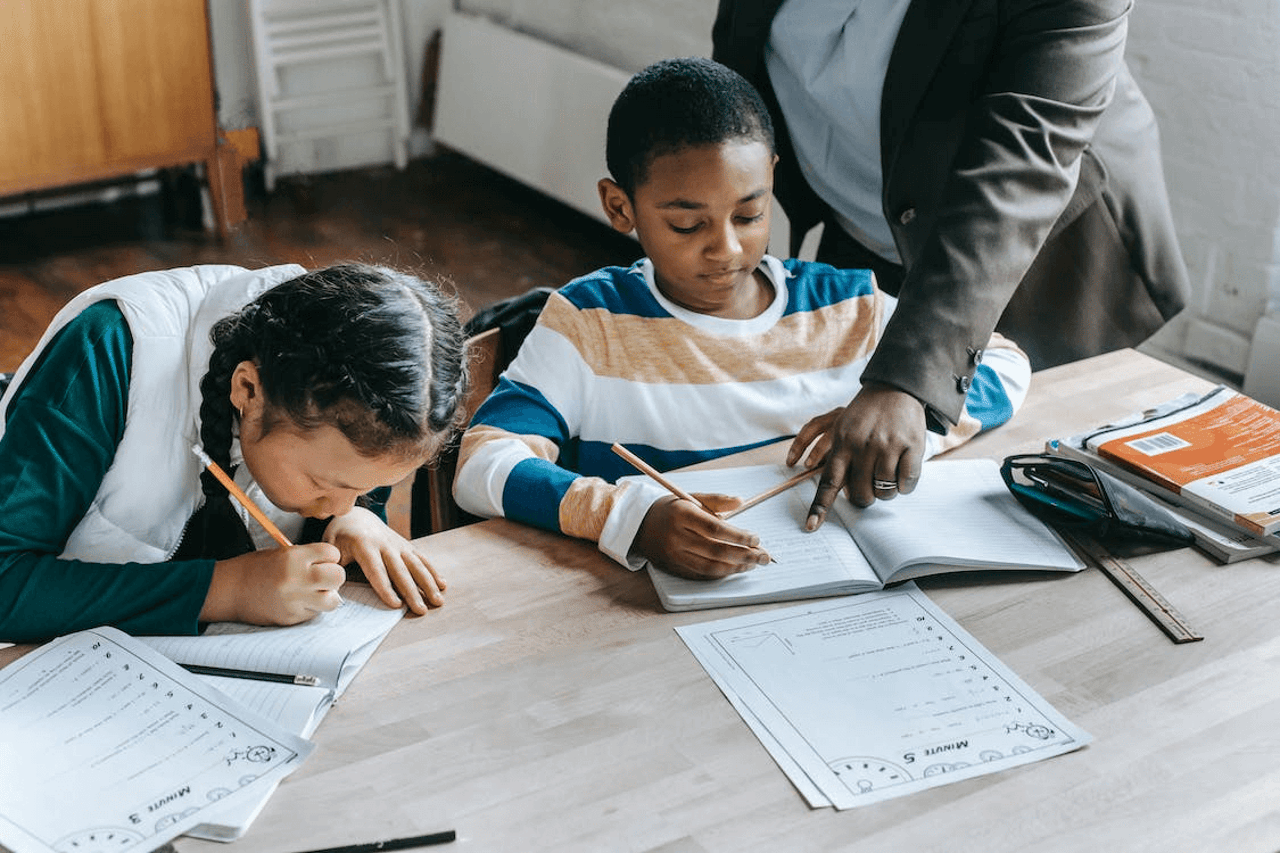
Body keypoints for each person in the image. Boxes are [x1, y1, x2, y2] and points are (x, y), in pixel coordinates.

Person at [452, 57, 1031, 581]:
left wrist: (903, 425)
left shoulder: (845, 302)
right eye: (687, 225)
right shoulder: (591, 323)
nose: (726, 248)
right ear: (620, 206)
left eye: (750, 214)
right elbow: (483, 460)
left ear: (773, 178)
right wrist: (630, 517)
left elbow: (1004, 363)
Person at [712, 0, 1191, 523]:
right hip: (862, 224)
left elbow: (1019, 171)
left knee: (1023, 500)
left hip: (1039, 260)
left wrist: (907, 381)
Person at [0, 262, 467, 643]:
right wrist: (225, 591)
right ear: (247, 389)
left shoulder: (358, 404)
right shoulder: (107, 349)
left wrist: (351, 523)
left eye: (371, 489)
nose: (346, 501)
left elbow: (345, 496)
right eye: (327, 486)